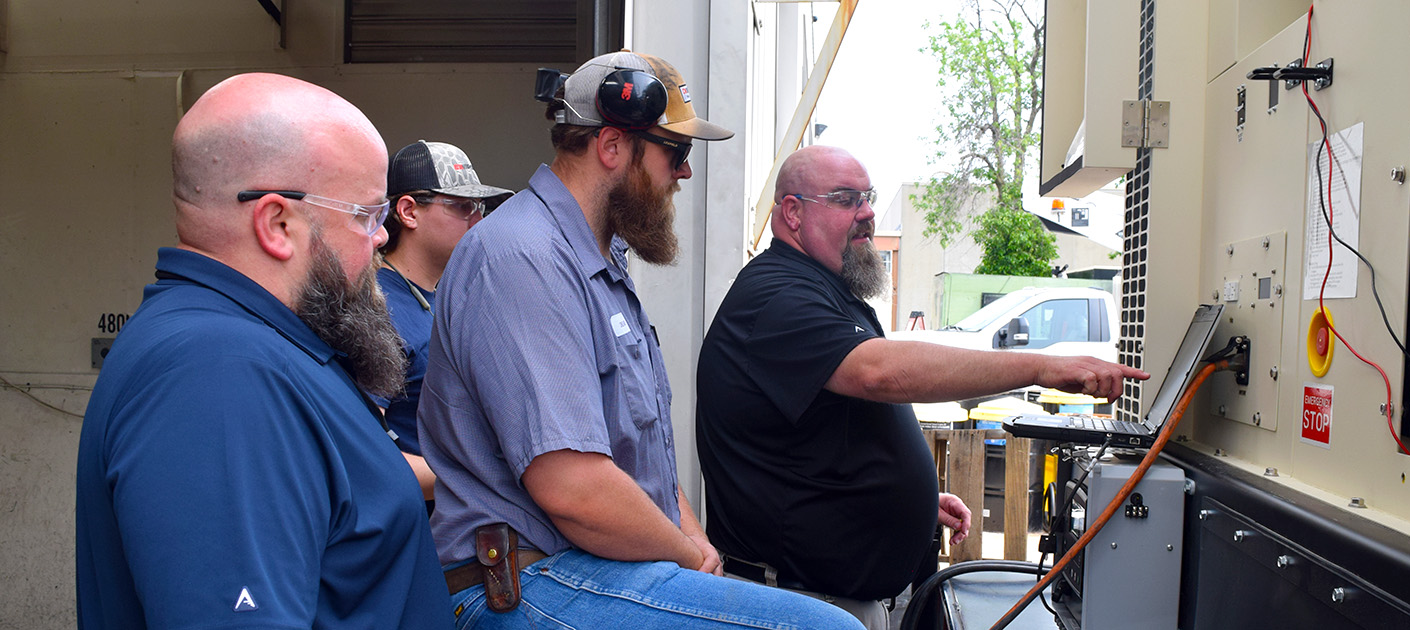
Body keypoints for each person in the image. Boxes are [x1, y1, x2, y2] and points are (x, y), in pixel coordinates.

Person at [416, 51, 861, 629]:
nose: (685, 173)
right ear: (611, 148)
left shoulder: (601, 262)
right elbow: (574, 487)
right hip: (525, 582)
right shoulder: (520, 256)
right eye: (675, 152)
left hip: (594, 571)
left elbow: (636, 450)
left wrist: (695, 544)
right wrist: (684, 556)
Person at [694, 145, 1150, 629]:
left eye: (867, 198)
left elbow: (819, 432)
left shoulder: (823, 289)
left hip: (831, 601)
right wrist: (1038, 368)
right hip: (798, 606)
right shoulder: (776, 295)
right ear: (792, 212)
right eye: (847, 199)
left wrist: (913, 504)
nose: (867, 213)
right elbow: (881, 372)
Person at [74, 73, 451, 629]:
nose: (380, 238)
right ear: (277, 222)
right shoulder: (216, 373)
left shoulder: (253, 345)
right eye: (367, 215)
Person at [374, 140, 513, 504]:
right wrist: (489, 479)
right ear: (408, 211)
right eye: (463, 206)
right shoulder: (377, 308)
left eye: (479, 207)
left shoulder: (452, 295)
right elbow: (362, 458)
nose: (479, 221)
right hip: (420, 532)